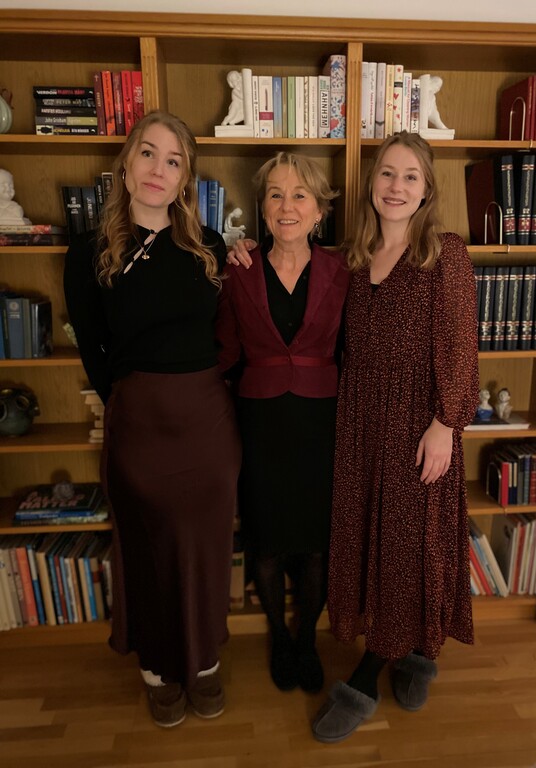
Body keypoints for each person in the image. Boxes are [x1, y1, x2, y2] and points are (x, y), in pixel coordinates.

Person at [63, 110, 241, 729]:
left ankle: (205, 659)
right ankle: (159, 668)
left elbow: (229, 332)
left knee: (206, 546)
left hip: (208, 425)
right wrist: (132, 401)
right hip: (139, 421)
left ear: (186, 176)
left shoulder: (208, 246)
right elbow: (92, 347)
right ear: (127, 163)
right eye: (148, 153)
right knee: (147, 546)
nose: (158, 170)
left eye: (173, 160)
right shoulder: (89, 251)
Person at [311, 131, 479, 743]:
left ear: (427, 188)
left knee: (409, 546)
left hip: (420, 425)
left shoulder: (445, 252)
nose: (397, 186)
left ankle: (368, 675)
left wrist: (446, 424)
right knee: (369, 540)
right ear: (372, 184)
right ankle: (411, 651)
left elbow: (461, 348)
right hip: (359, 421)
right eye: (387, 174)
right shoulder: (351, 258)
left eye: (411, 176)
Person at [216, 152, 349, 694]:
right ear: (262, 208)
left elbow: (356, 347)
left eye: (300, 195)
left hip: (323, 422)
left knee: (317, 544)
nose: (287, 205)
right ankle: (278, 634)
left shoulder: (343, 270)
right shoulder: (237, 268)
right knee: (268, 541)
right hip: (261, 420)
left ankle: (307, 642)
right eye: (275, 194)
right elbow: (224, 349)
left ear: (319, 210)